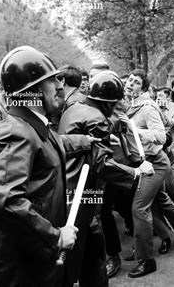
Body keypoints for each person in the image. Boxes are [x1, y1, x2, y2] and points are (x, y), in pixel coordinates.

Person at [0, 46, 101, 286]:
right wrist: (56, 235)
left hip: (29, 258)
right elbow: (6, 201)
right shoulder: (15, 132)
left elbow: (48, 147)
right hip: (13, 267)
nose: (60, 87)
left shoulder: (31, 125)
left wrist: (83, 141)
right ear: (32, 90)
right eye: (51, 81)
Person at [58, 70, 154, 285]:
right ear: (111, 103)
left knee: (88, 250)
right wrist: (136, 171)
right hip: (83, 194)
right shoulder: (98, 118)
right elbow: (102, 164)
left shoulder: (73, 108)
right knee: (83, 256)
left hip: (65, 188)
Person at [123, 69, 174, 278]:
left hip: (155, 163)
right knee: (161, 201)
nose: (131, 84)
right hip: (143, 162)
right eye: (130, 80)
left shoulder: (147, 107)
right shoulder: (130, 105)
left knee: (139, 208)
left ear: (144, 88)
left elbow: (161, 136)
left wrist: (135, 131)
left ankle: (146, 260)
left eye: (136, 82)